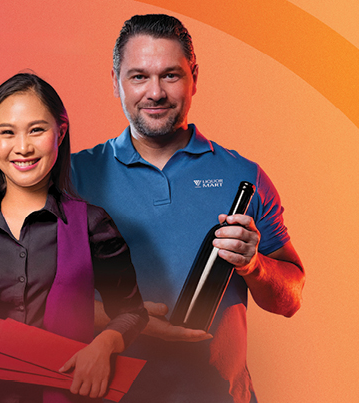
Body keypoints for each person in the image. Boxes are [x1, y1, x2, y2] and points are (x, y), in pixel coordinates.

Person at [70, 14, 306, 403]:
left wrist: (254, 265)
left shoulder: (243, 177)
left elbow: (290, 299)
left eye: (171, 75)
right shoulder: (75, 176)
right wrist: (135, 321)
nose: (155, 92)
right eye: (138, 76)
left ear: (194, 76)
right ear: (115, 81)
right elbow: (35, 298)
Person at [0, 73, 148, 403]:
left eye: (36, 130)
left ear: (59, 133)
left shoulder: (92, 224)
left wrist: (105, 343)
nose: (23, 147)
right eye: (8, 133)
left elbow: (133, 311)